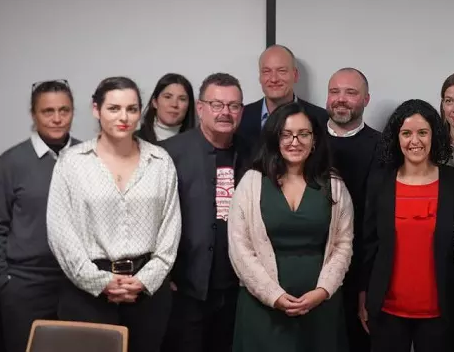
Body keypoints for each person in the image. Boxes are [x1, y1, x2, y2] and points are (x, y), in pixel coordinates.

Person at [46, 77, 182, 352]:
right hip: (87, 292)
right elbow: (61, 233)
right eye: (114, 108)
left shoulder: (160, 162)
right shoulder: (71, 163)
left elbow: (171, 230)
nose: (124, 117)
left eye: (132, 109)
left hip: (146, 292)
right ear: (96, 110)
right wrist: (101, 281)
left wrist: (145, 280)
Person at [227, 102, 354, 352]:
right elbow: (239, 246)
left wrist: (322, 291)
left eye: (303, 134)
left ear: (314, 139)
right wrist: (272, 295)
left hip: (320, 308)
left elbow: (343, 243)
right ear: (275, 139)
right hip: (262, 308)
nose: (294, 141)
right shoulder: (252, 182)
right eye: (286, 134)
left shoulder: (334, 184)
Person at [359, 99, 454, 352]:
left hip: (441, 311)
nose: (414, 141)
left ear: (435, 136)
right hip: (387, 310)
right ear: (396, 138)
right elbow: (368, 243)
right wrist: (363, 294)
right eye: (406, 133)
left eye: (422, 132)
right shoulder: (380, 182)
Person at [159, 73, 250, 352]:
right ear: (200, 108)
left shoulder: (254, 154)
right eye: (217, 104)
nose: (225, 112)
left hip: (239, 291)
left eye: (233, 106)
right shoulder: (168, 154)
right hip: (185, 291)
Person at [0, 80, 80, 352]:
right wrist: (3, 282)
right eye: (48, 111)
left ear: (73, 112)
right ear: (34, 115)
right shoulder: (10, 163)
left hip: (78, 284)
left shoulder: (89, 156)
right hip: (24, 285)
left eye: (64, 110)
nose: (57, 119)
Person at [325, 67, 381, 352]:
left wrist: (366, 286)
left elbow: (377, 224)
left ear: (366, 99)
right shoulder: (305, 141)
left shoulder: (384, 147)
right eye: (334, 91)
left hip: (360, 273)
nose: (341, 99)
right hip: (312, 274)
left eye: (350, 92)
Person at [238, 45, 328, 146]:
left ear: (295, 75)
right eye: (266, 71)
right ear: (260, 77)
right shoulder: (240, 117)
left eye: (282, 71)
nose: (274, 79)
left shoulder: (321, 118)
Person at [137, 73, 196, 143]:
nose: (174, 104)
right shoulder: (134, 141)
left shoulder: (197, 143)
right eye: (167, 97)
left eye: (182, 99)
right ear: (155, 102)